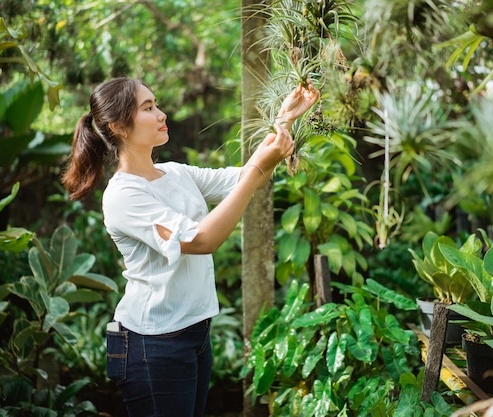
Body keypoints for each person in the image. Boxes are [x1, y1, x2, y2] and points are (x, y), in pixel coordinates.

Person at [61, 77, 319, 417]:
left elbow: (244, 179)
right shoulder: (124, 196)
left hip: (195, 333)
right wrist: (257, 169)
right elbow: (202, 240)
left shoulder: (175, 173)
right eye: (148, 108)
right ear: (117, 126)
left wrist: (284, 121)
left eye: (157, 104)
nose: (161, 114)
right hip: (152, 345)